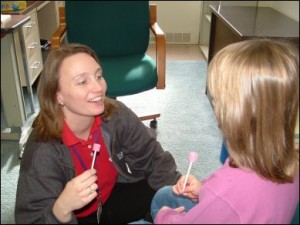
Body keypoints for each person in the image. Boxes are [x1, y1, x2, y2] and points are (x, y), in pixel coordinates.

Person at [14, 43, 181, 224]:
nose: (99, 88)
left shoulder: (115, 115)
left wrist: (179, 189)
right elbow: (31, 219)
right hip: (75, 218)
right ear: (57, 95)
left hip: (111, 197)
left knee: (173, 197)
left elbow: (152, 158)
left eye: (99, 76)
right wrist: (61, 209)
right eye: (82, 81)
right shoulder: (42, 150)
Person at [150, 39, 299, 224]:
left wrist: (165, 216)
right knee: (165, 193)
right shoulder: (287, 159)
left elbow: (226, 200)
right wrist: (203, 189)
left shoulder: (227, 195)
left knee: (159, 205)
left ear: (234, 114)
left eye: (218, 100)